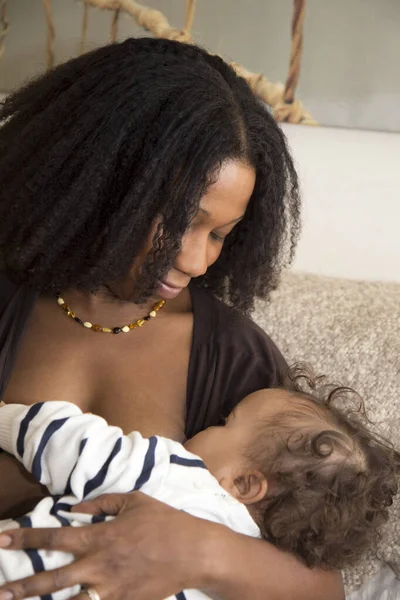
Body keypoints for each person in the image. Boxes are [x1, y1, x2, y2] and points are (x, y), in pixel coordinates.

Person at [0, 36, 345, 600]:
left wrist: (198, 551)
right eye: (180, 220)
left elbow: (324, 587)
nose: (195, 259)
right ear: (105, 183)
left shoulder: (233, 359)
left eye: (220, 235)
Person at [0, 364, 398, 600]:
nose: (209, 425)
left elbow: (71, 440)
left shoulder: (175, 471)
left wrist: (7, 418)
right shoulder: (247, 585)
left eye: (225, 422)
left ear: (243, 483)